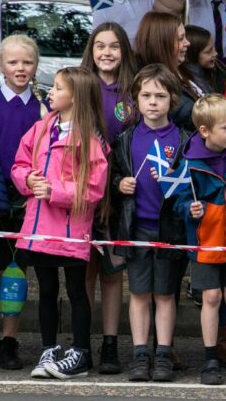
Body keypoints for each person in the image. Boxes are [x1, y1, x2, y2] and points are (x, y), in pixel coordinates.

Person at [11, 67, 108, 380]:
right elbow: (19, 163)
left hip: (70, 231)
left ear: (76, 97)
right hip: (39, 229)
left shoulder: (91, 140)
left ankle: (80, 352)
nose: (50, 92)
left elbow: (93, 189)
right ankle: (49, 348)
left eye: (57, 88)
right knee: (47, 290)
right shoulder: (41, 129)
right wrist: (27, 179)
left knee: (77, 290)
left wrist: (54, 191)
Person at [110, 64, 189, 382]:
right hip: (137, 226)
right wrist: (119, 184)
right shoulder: (126, 138)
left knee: (165, 294)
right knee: (140, 293)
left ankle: (163, 353)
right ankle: (140, 354)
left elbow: (191, 183)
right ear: (136, 100)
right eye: (146, 95)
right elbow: (114, 173)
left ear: (173, 100)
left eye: (160, 95)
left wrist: (176, 182)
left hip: (169, 229)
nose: (153, 101)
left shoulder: (184, 140)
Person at [173, 94, 226, 386]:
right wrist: (189, 209)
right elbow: (179, 198)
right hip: (204, 238)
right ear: (205, 131)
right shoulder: (189, 160)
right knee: (211, 297)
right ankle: (210, 359)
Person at [0, 35, 45, 371]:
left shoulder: (42, 108)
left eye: (26, 62)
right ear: (1, 66)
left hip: (27, 201)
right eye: (13, 62)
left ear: (35, 66)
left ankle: (10, 339)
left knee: (18, 271)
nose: (20, 68)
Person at [80, 22, 138, 375]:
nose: (106, 53)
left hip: (122, 192)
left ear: (123, 51)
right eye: (100, 46)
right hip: (86, 192)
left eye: (114, 46)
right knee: (85, 270)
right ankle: (83, 343)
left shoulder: (133, 90)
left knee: (113, 272)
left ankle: (111, 343)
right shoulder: (80, 85)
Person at [133, 12, 196, 131]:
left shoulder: (181, 67)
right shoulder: (150, 79)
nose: (188, 43)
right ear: (162, 43)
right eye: (181, 38)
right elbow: (190, 114)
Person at [184, 25, 226, 96]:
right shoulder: (184, 84)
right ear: (191, 55)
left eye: (213, 48)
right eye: (208, 51)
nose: (215, 53)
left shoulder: (220, 72)